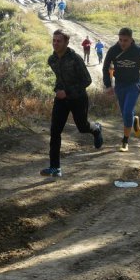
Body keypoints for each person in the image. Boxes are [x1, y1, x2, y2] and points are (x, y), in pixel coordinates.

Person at [42, 29, 104, 177]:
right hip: (61, 100)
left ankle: (96, 129)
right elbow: (59, 78)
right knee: (55, 131)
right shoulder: (52, 60)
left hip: (78, 98)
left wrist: (67, 92)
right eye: (54, 40)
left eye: (59, 41)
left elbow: (87, 81)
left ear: (66, 42)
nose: (55, 44)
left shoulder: (75, 59)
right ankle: (55, 167)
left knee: (82, 127)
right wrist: (58, 89)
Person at [102, 28, 140, 152]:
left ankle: (125, 141)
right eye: (120, 40)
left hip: (133, 85)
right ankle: (134, 120)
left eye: (125, 40)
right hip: (120, 85)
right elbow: (105, 67)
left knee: (127, 111)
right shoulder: (113, 50)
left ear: (131, 40)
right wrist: (108, 85)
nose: (122, 43)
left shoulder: (138, 51)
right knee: (125, 113)